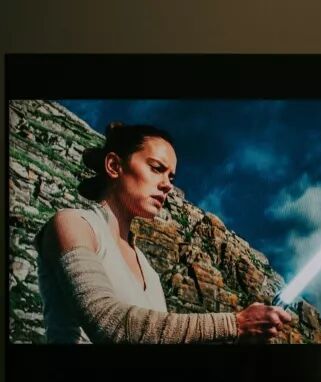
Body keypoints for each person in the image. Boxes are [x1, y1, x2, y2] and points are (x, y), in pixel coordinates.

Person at [35, 122, 291, 344]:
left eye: (171, 177)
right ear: (114, 165)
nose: (168, 185)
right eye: (157, 168)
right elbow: (108, 322)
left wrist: (239, 338)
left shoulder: (150, 272)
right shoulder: (74, 224)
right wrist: (234, 324)